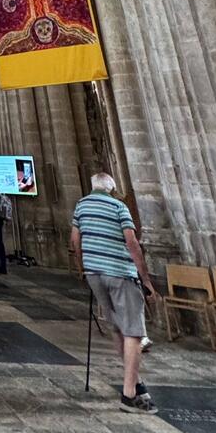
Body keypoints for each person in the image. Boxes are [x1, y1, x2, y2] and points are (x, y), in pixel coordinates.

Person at [70, 172, 158, 414]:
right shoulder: (119, 207)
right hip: (120, 272)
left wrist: (82, 268)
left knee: (119, 328)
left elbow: (75, 241)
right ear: (112, 188)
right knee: (133, 332)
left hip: (94, 273)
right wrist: (146, 278)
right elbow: (132, 243)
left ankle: (136, 383)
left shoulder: (81, 206)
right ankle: (129, 394)